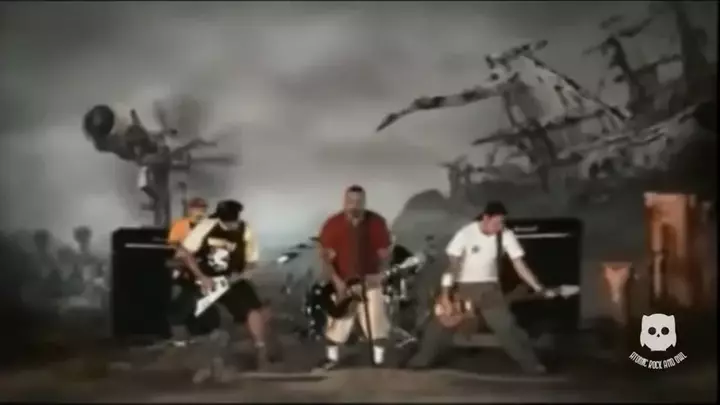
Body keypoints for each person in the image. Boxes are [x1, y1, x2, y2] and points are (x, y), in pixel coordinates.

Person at [405, 200, 552, 374]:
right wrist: (445, 295)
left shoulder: (505, 235)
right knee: (439, 326)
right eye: (497, 222)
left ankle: (531, 364)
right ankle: (420, 361)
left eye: (502, 222)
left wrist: (537, 287)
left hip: (490, 289)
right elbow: (453, 267)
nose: (500, 226)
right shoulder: (465, 234)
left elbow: (519, 265)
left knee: (507, 327)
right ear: (485, 218)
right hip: (463, 288)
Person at [174, 199, 270, 376]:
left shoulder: (246, 230)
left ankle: (261, 350)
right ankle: (193, 353)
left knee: (253, 309)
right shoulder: (207, 226)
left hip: (231, 279)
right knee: (186, 312)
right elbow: (184, 253)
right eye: (225, 221)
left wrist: (241, 274)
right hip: (204, 279)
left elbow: (251, 262)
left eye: (231, 221)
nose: (228, 225)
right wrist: (202, 277)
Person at [316, 185, 392, 370]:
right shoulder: (333, 224)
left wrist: (380, 275)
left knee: (376, 321)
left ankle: (379, 360)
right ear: (344, 202)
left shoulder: (376, 222)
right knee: (338, 322)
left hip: (369, 281)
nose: (354, 205)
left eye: (359, 201)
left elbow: (384, 254)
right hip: (343, 281)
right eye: (351, 201)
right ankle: (332, 359)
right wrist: (337, 282)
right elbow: (326, 258)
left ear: (364, 202)